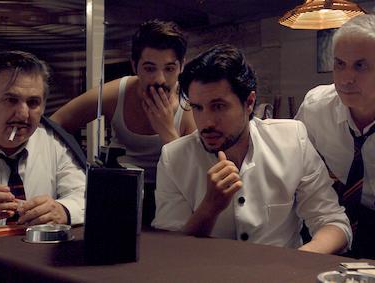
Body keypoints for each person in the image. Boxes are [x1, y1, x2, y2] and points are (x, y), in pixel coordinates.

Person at [152, 44, 352, 254]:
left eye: (218, 106)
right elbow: (169, 251)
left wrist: (290, 268)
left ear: (249, 102)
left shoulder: (292, 140)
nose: (206, 122)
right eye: (197, 108)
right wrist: (209, 208)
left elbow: (334, 224)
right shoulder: (173, 158)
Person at [51, 19, 196, 226]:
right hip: (118, 192)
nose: (160, 79)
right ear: (135, 66)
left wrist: (168, 133)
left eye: (169, 69)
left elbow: (194, 180)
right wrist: (76, 172)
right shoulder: (117, 92)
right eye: (149, 68)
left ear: (181, 67)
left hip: (169, 198)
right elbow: (57, 123)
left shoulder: (190, 106)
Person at [0, 50, 85, 232]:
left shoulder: (52, 140)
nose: (23, 114)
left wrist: (63, 210)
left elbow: (88, 195)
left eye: (33, 102)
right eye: (11, 100)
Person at [295, 14, 375, 259]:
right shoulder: (316, 108)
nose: (346, 78)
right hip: (329, 217)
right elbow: (295, 172)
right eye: (340, 64)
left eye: (360, 65)